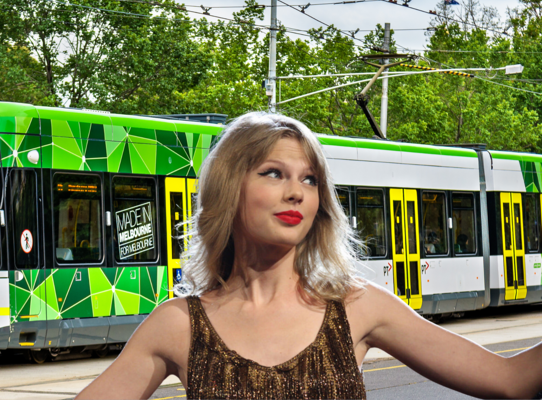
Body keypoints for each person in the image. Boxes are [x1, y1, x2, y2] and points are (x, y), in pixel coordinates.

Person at [77, 112, 542, 399]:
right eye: (274, 173)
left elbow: (510, 380)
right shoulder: (178, 324)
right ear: (228, 190)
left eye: (310, 179)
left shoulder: (359, 307)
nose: (296, 193)